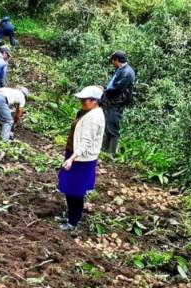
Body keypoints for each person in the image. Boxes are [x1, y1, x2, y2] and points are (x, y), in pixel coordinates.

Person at [58, 86, 105, 232]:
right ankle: (71, 217)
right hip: (76, 155)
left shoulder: (93, 118)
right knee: (70, 189)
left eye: (85, 100)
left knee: (75, 191)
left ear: (94, 101)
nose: (82, 102)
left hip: (81, 159)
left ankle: (73, 222)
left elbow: (86, 142)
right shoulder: (89, 112)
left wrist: (72, 158)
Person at [102, 51, 136, 155]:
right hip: (111, 102)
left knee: (112, 128)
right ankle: (104, 150)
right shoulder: (121, 70)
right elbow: (113, 85)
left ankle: (111, 154)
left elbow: (117, 88)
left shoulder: (127, 72)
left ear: (116, 60)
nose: (112, 63)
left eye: (112, 60)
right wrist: (104, 88)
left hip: (116, 103)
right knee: (108, 125)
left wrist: (104, 91)